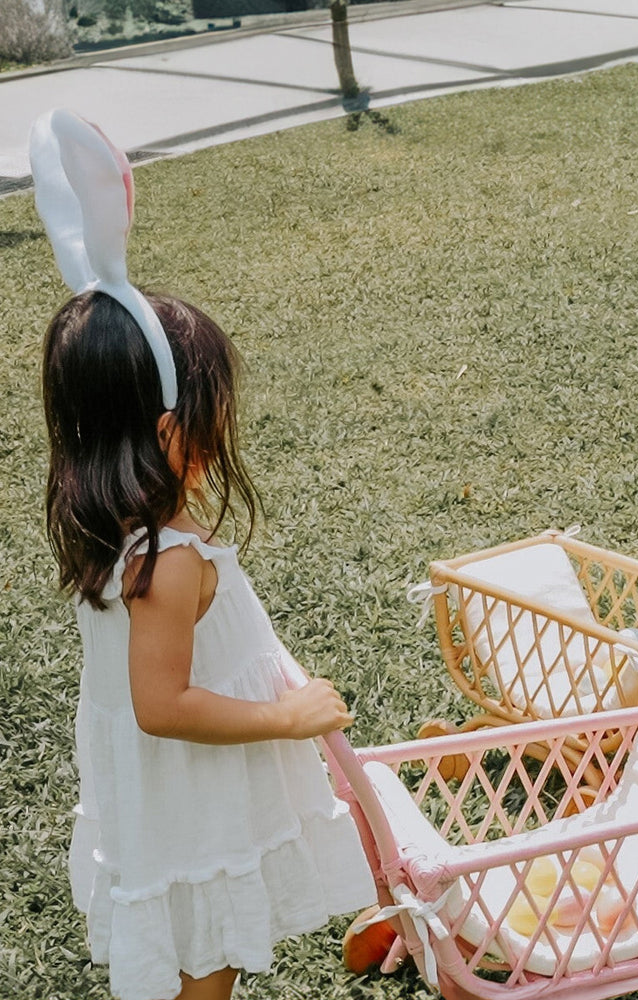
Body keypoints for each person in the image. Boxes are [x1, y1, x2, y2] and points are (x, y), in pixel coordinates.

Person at [32, 110, 376, 1000]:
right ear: (169, 430)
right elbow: (161, 703)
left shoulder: (117, 533)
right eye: (215, 412)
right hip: (190, 797)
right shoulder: (167, 560)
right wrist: (288, 717)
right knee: (207, 959)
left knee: (204, 951)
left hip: (169, 793)